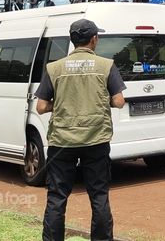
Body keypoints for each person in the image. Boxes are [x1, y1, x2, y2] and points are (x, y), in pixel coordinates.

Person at [35, 19, 126, 241]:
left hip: (61, 141)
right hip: (96, 140)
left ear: (72, 40)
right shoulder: (106, 65)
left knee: (57, 197)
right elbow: (119, 101)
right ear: (94, 40)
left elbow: (41, 106)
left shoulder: (54, 67)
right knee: (99, 196)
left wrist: (64, 103)